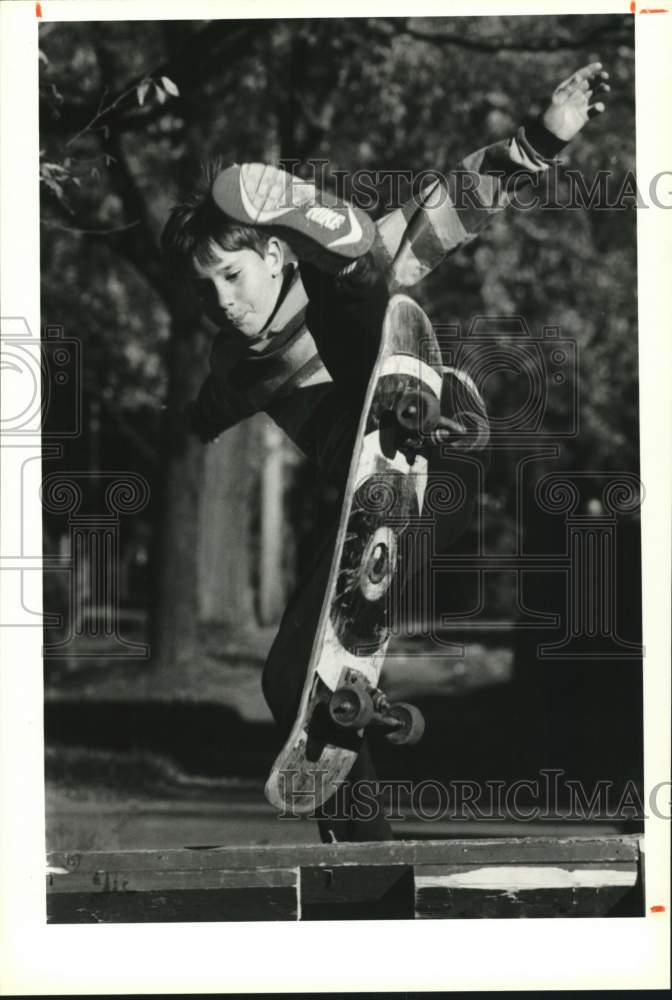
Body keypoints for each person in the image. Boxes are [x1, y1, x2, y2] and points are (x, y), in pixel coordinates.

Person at [161, 62, 610, 842]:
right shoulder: (230, 365)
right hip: (375, 511)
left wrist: (539, 141)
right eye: (206, 291)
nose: (223, 302)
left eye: (232, 276)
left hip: (440, 451)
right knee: (290, 679)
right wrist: (194, 420)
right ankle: (363, 848)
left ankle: (371, 320)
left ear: (273, 252)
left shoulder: (318, 279)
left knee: (366, 275)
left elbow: (452, 209)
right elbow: (204, 412)